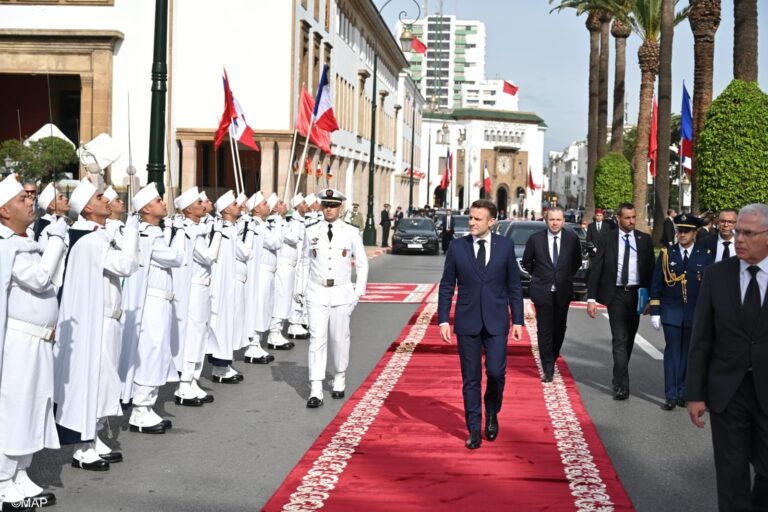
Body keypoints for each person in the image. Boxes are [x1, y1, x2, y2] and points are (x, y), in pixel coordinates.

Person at [54, 178, 140, 470]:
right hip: (97, 321)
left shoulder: (97, 235)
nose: (107, 200)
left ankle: (93, 435)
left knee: (105, 381)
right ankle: (83, 445)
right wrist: (132, 231)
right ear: (88, 209)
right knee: (94, 378)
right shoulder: (91, 240)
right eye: (100, 197)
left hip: (109, 319)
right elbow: (126, 265)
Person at [687, 203, 768, 510]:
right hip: (728, 392)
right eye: (738, 233)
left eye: (748, 233)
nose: (739, 239)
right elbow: (702, 338)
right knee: (731, 475)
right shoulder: (716, 275)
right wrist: (695, 394)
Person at [0, 174, 66, 509]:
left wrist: (53, 241)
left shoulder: (26, 242)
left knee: (35, 405)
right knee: (15, 407)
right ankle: (2, 480)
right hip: (19, 342)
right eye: (22, 199)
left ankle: (20, 471)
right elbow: (40, 279)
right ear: (4, 210)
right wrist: (56, 239)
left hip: (39, 341)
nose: (31, 202)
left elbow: (53, 278)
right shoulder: (7, 246)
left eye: (30, 197)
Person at [438, 199, 524, 450]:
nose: (472, 223)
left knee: (496, 372)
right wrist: (443, 319)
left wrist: (518, 320)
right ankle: (474, 428)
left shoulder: (505, 246)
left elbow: (514, 286)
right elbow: (447, 285)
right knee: (471, 378)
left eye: (477, 219)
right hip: (467, 321)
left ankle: (492, 411)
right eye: (470, 218)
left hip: (497, 320)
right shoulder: (457, 247)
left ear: (491, 222)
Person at [120, 184, 186, 432]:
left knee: (158, 351)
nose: (163, 203)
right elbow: (176, 258)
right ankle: (140, 409)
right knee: (151, 351)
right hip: (152, 302)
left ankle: (147, 406)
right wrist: (179, 232)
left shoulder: (154, 233)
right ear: (146, 209)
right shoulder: (147, 236)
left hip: (161, 301)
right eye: (158, 200)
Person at [295, 188, 368, 408]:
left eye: (333, 205)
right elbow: (304, 261)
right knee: (316, 339)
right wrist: (300, 290)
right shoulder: (311, 230)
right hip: (316, 290)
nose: (329, 209)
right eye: (326, 205)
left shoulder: (351, 232)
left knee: (339, 338)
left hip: (341, 291)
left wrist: (358, 293)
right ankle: (316, 388)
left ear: (340, 207)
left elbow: (362, 264)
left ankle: (339, 375)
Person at [586, 203, 655, 400]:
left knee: (629, 339)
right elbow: (597, 268)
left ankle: (618, 375)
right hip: (615, 294)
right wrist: (591, 298)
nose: (631, 221)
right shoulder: (607, 238)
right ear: (618, 219)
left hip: (636, 295)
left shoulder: (644, 240)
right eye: (627, 218)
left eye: (633, 217)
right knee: (620, 338)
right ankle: (623, 385)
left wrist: (652, 298)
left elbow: (651, 271)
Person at [649, 214, 713, 411]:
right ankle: (671, 394)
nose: (682, 234)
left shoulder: (705, 255)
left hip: (694, 313)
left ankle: (684, 392)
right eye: (679, 231)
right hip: (671, 312)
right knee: (672, 352)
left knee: (688, 354)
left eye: (686, 231)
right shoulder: (667, 253)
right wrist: (655, 310)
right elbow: (657, 284)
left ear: (695, 233)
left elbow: (709, 288)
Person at [171, 186, 223, 406]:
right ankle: (184, 383)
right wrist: (218, 233)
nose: (204, 205)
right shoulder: (191, 231)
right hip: (194, 290)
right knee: (193, 336)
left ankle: (192, 380)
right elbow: (209, 256)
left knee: (200, 334)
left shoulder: (197, 229)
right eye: (199, 203)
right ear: (188, 209)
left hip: (202, 288)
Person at [521, 206, 583, 382]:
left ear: (563, 221)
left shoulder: (571, 239)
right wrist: (541, 276)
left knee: (559, 329)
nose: (555, 223)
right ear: (546, 220)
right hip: (542, 291)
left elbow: (576, 262)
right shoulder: (536, 239)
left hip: (563, 291)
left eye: (558, 220)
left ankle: (552, 356)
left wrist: (564, 276)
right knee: (544, 331)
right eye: (551, 219)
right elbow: (527, 262)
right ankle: (548, 367)